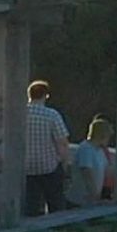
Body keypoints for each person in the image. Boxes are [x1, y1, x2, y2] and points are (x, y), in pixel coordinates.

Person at [22, 80, 73, 216]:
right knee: (56, 203)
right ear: (46, 96)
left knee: (30, 206)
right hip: (49, 166)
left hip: (25, 168)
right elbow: (62, 142)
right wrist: (66, 163)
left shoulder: (19, 114)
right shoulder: (52, 115)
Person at [68, 117, 114, 207]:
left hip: (91, 201)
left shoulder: (100, 151)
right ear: (102, 135)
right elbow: (87, 173)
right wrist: (96, 196)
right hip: (79, 202)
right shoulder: (86, 148)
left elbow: (108, 171)